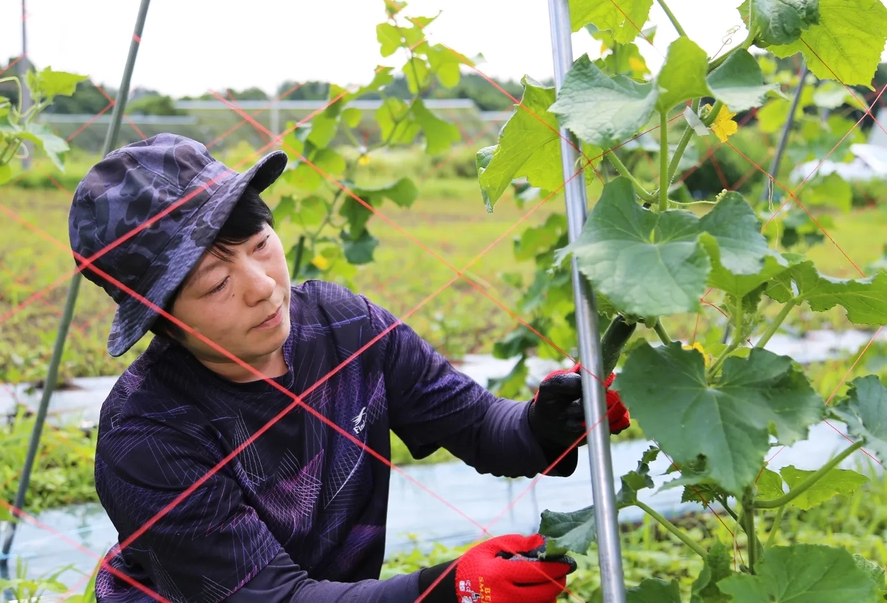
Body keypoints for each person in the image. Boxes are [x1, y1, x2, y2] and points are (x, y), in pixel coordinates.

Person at [68, 133, 631, 603]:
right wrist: (444, 592)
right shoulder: (147, 436)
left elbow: (481, 425)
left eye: (261, 244)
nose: (263, 288)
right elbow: (274, 598)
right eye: (217, 283)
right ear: (160, 321)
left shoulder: (345, 327)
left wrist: (545, 423)